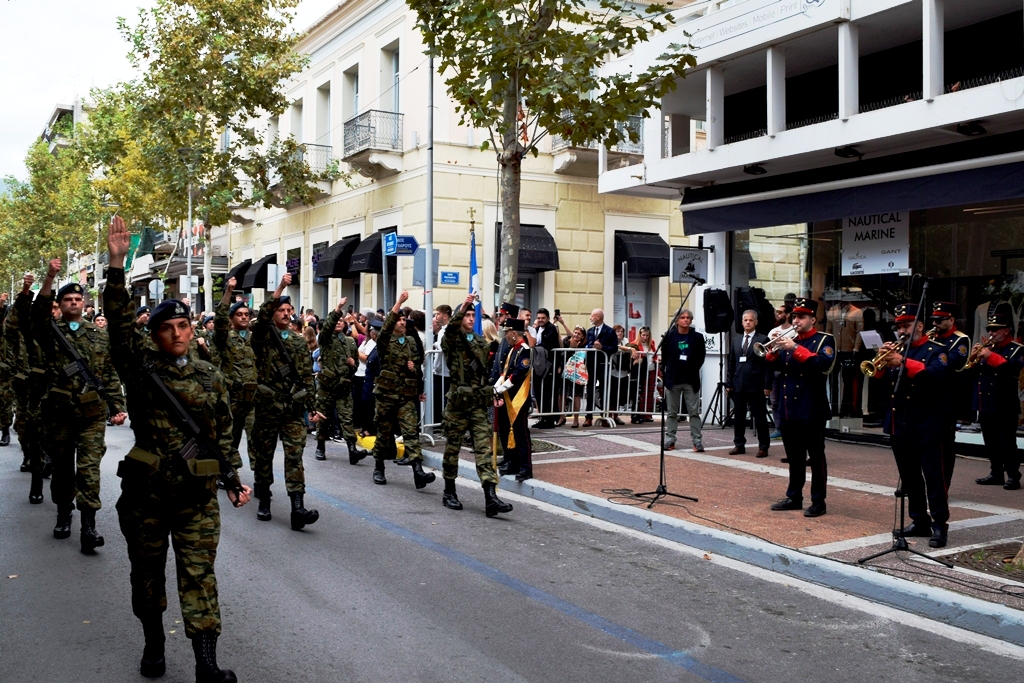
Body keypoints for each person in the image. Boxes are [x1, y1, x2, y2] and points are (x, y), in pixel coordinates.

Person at [104, 215, 251, 682]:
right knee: (147, 577)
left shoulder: (211, 375)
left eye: (184, 326)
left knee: (199, 577)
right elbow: (118, 328)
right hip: (147, 495)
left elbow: (223, 432)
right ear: (155, 334)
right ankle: (152, 642)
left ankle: (206, 665)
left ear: (192, 330)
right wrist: (114, 265)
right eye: (168, 327)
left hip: (196, 497)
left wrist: (231, 477)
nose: (177, 333)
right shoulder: (139, 367)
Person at [33, 260, 128, 552]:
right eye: (68, 300)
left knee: (89, 469)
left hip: (91, 415)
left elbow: (109, 374)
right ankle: (64, 514)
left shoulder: (100, 336)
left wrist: (117, 406)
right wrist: (49, 277)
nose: (74, 303)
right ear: (59, 304)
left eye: (78, 299)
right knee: (62, 469)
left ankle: (89, 525)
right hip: (59, 413)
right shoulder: (50, 332)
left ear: (84, 302)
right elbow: (37, 313)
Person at [871, 303, 951, 547]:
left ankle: (939, 524)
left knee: (934, 478)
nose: (901, 331)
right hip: (900, 424)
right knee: (910, 478)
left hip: (927, 424)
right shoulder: (897, 350)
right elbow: (878, 380)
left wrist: (902, 363)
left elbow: (937, 377)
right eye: (898, 327)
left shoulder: (937, 350)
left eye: (906, 325)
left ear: (919, 326)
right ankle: (919, 520)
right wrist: (881, 361)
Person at [249, 273, 321, 529]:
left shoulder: (300, 343)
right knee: (264, 455)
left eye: (290, 310)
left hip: (292, 408)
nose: (287, 313)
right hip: (268, 406)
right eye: (282, 309)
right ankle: (265, 500)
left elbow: (305, 377)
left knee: (294, 456)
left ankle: (297, 508)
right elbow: (262, 318)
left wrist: (312, 406)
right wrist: (279, 287)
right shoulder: (263, 336)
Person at [439, 294, 513, 516]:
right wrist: (463, 305)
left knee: (484, 449)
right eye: (467, 315)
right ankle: (449, 491)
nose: (471, 319)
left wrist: (491, 393)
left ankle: (490, 496)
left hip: (479, 403)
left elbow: (485, 373)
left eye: (473, 315)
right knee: (453, 448)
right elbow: (451, 331)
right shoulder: (451, 339)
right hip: (458, 405)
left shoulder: (481, 342)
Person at [763, 297, 836, 517]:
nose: (796, 321)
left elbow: (823, 365)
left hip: (811, 408)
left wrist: (795, 347)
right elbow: (773, 365)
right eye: (794, 316)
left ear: (812, 319)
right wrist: (774, 347)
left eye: (801, 317)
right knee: (794, 457)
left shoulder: (824, 340)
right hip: (788, 408)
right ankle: (794, 496)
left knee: (816, 457)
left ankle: (818, 501)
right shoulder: (788, 339)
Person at [371, 291, 435, 489]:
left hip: (406, 396)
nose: (401, 322)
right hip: (387, 396)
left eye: (403, 319)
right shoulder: (384, 341)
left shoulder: (409, 342)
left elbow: (418, 365)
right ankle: (379, 467)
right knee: (384, 433)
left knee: (410, 432)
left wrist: (413, 369)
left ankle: (418, 471)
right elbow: (387, 325)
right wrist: (399, 302)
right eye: (398, 319)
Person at [5, 274, 49, 503]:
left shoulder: (52, 331)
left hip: (49, 391)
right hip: (24, 389)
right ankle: (30, 457)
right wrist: (25, 289)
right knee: (24, 427)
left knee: (47, 432)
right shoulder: (17, 332)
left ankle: (41, 465)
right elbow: (12, 321)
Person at [972, 310, 1024, 490]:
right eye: (990, 329)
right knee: (990, 441)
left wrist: (989, 356)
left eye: (996, 329)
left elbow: (1011, 369)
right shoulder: (989, 349)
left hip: (1005, 404)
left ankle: (1013, 475)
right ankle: (996, 473)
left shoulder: (1017, 349)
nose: (991, 333)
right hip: (986, 403)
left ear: (1007, 330)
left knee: (1007, 442)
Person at [213, 279, 258, 472]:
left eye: (246, 314)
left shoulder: (254, 338)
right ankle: (229, 471)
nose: (244, 317)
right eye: (239, 314)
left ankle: (260, 479)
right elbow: (220, 321)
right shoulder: (224, 338)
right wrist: (229, 292)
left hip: (252, 398)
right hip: (232, 398)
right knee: (230, 437)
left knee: (255, 436)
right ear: (232, 319)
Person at [929, 301, 971, 488]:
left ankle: (943, 485)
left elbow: (950, 366)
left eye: (940, 320)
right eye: (934, 320)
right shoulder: (930, 338)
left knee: (944, 446)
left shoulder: (960, 340)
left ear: (951, 320)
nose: (935, 324)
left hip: (947, 400)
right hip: (927, 398)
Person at [315, 297, 361, 464]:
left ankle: (352, 449)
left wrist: (352, 364)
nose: (338, 323)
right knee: (323, 416)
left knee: (346, 418)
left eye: (341, 320)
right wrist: (338, 308)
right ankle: (320, 446)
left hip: (343, 387)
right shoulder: (325, 339)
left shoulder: (350, 342)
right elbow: (326, 328)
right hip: (327, 386)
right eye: (336, 320)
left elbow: (355, 366)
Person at [727, 310, 772, 457]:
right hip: (738, 384)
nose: (747, 322)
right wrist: (729, 383)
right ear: (741, 322)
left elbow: (767, 365)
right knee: (739, 417)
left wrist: (767, 386)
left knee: (759, 417)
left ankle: (763, 446)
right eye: (745, 320)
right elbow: (731, 363)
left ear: (756, 322)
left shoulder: (763, 339)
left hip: (756, 385)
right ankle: (739, 444)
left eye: (750, 320)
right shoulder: (735, 340)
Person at [660, 309, 706, 452]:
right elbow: (665, 356)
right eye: (683, 317)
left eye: (688, 318)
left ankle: (697, 440)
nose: (686, 320)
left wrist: (691, 367)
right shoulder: (669, 336)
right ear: (677, 320)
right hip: (673, 379)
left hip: (690, 380)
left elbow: (701, 357)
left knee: (693, 412)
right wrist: (665, 372)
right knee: (671, 412)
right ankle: (670, 439)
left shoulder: (698, 337)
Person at [494, 317, 534, 481]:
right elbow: (505, 373)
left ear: (514, 333)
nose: (505, 335)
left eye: (507, 332)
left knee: (520, 433)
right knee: (505, 429)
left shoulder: (525, 350)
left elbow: (518, 374)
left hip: (518, 399)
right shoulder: (512, 349)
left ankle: (525, 468)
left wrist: (501, 388)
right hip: (506, 397)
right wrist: (496, 387)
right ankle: (512, 462)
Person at [531, 308, 561, 429]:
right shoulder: (537, 329)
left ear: (548, 318)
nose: (540, 320)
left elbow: (547, 344)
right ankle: (542, 417)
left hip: (549, 365)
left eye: (543, 318)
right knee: (538, 392)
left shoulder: (551, 329)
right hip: (539, 365)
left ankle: (549, 420)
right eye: (538, 318)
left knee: (548, 393)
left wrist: (536, 345)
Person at [767, 303, 793, 440]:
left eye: (781, 312)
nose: (778, 315)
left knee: (788, 400)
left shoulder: (794, 331)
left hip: (789, 369)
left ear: (788, 315)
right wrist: (772, 342)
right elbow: (767, 352)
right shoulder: (773, 331)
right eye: (777, 312)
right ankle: (778, 428)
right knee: (775, 401)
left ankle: (789, 428)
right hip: (775, 369)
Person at [627, 326, 657, 423]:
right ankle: (639, 414)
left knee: (650, 393)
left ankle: (648, 414)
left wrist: (657, 360)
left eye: (647, 335)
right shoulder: (634, 344)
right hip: (640, 371)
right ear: (639, 335)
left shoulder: (651, 344)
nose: (645, 337)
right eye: (643, 335)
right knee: (641, 393)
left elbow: (654, 355)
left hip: (651, 370)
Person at [354, 319, 378, 434]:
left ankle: (369, 428)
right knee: (362, 402)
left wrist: (355, 352)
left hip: (366, 374)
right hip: (361, 374)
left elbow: (368, 358)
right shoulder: (366, 341)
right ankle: (365, 426)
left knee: (368, 404)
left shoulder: (373, 343)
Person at [431, 304, 452, 430]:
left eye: (438, 314)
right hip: (439, 369)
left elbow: (445, 348)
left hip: (445, 371)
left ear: (445, 315)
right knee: (438, 399)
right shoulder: (442, 330)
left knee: (444, 399)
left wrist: (435, 346)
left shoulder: (448, 330)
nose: (436, 316)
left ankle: (444, 425)